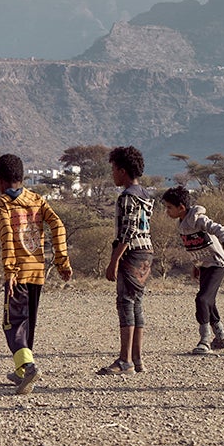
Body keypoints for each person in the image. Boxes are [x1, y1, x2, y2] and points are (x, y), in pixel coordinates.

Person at [0, 153, 71, 395]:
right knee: (29, 322)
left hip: (18, 273)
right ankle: (21, 371)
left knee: (13, 323)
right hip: (38, 271)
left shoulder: (2, 203)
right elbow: (58, 225)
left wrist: (10, 270)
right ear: (22, 177)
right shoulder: (37, 199)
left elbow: (8, 236)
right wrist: (61, 261)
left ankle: (28, 366)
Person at [98, 146, 155, 375]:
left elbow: (127, 232)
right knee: (136, 303)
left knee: (125, 304)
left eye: (113, 169)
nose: (112, 173)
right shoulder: (146, 195)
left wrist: (114, 261)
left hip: (131, 254)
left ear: (122, 171)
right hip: (146, 252)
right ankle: (136, 359)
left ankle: (125, 361)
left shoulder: (127, 197)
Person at [162, 186, 224, 356]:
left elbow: (221, 230)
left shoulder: (198, 219)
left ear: (181, 207)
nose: (167, 211)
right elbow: (194, 246)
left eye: (169, 207)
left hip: (218, 264)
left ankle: (204, 341)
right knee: (209, 301)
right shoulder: (181, 224)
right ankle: (222, 338)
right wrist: (196, 265)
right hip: (204, 265)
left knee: (202, 299)